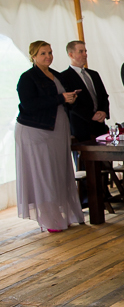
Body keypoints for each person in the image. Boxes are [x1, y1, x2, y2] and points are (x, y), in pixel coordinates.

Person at [15, 41, 85, 232]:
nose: (48, 56)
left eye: (50, 52)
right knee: (44, 175)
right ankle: (49, 219)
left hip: (57, 129)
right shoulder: (28, 78)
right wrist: (61, 98)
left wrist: (70, 98)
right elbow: (29, 105)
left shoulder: (56, 75)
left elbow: (61, 99)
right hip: (36, 131)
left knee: (58, 172)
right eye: (43, 53)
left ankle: (63, 214)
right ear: (34, 56)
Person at [58, 40, 110, 143]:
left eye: (85, 51)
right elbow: (71, 104)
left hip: (100, 127)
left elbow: (104, 96)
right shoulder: (64, 77)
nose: (85, 54)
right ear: (71, 54)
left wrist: (104, 112)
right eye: (81, 52)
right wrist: (91, 115)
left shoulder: (94, 74)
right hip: (80, 128)